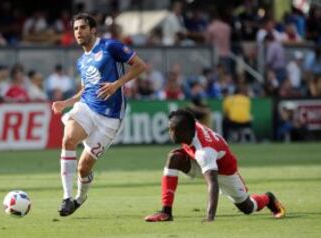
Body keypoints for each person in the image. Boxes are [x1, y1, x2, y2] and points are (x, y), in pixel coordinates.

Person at [51, 13, 146, 217]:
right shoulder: (81, 61)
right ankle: (67, 198)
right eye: (76, 29)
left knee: (83, 168)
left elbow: (140, 66)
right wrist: (66, 103)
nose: (79, 32)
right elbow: (86, 90)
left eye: (83, 27)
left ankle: (80, 197)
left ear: (93, 30)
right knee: (68, 139)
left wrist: (116, 85)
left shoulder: (110, 46)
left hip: (110, 118)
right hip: (87, 107)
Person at [144, 109, 285, 222]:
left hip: (225, 173)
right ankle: (166, 211)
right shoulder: (190, 126)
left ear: (185, 132)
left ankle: (268, 198)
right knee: (174, 158)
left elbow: (213, 183)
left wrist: (210, 216)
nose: (170, 133)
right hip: (203, 163)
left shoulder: (204, 152)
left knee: (248, 207)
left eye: (173, 130)